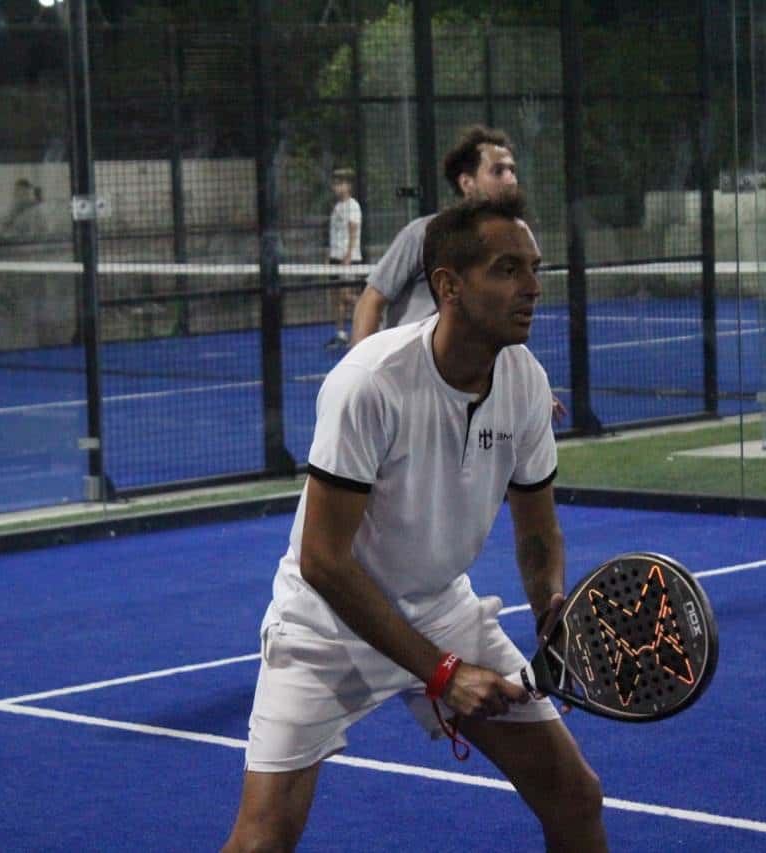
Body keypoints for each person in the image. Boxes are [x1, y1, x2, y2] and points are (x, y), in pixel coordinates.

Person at [222, 193, 607, 853]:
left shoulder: (524, 381)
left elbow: (537, 529)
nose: (533, 288)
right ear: (448, 286)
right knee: (262, 840)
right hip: (326, 623)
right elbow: (322, 559)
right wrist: (444, 672)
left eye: (534, 268)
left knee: (574, 798)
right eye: (507, 269)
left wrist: (550, 605)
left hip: (441, 607)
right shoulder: (368, 382)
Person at [349, 125, 518, 346]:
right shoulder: (423, 233)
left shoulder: (513, 242)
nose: (511, 180)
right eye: (498, 171)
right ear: (466, 182)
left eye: (512, 170)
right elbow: (372, 299)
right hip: (411, 370)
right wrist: (360, 369)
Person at [326, 167, 363, 349]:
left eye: (340, 184)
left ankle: (374, 310)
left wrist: (348, 255)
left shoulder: (353, 205)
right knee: (336, 297)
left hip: (348, 259)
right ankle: (340, 334)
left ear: (348, 186)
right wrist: (330, 257)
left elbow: (353, 230)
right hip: (335, 258)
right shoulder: (337, 207)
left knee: (346, 295)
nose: (336, 187)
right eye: (335, 184)